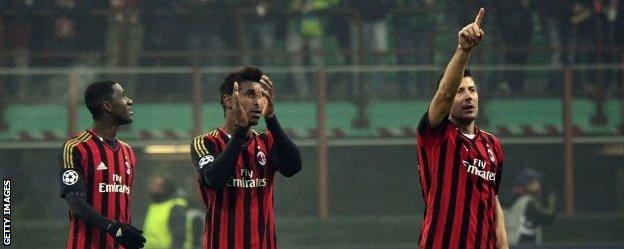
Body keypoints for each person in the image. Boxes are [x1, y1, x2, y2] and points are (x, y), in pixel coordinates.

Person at [416, 8, 509, 249]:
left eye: (472, 90)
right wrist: (464, 49)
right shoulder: (435, 134)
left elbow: (494, 208)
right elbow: (444, 93)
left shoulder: (493, 146)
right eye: (460, 91)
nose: (468, 97)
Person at [190, 66, 302, 249]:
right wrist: (240, 131)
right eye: (250, 95)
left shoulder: (267, 141)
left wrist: (271, 118)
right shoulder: (205, 142)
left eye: (261, 96)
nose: (258, 102)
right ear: (229, 101)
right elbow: (214, 179)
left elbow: (293, 167)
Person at [59, 81, 146, 249]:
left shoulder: (128, 152)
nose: (130, 101)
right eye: (122, 96)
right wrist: (113, 228)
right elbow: (75, 202)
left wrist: (122, 232)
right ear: (107, 106)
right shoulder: (76, 147)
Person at [506, 168, 556, 246]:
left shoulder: (515, 199)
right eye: (534, 182)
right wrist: (551, 201)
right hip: (520, 244)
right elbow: (548, 218)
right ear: (526, 184)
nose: (539, 185)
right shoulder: (527, 201)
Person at [143, 175, 189, 249]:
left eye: (158, 185)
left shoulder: (176, 206)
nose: (154, 188)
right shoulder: (154, 205)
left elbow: (178, 237)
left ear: (166, 188)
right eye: (153, 184)